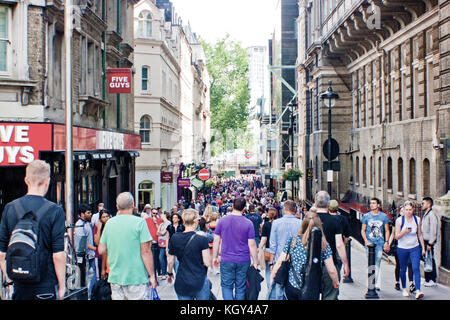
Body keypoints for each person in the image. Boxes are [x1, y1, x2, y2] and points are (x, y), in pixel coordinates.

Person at [0, 160, 66, 300]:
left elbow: (1, 254)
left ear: (26, 180)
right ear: (47, 181)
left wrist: (10, 279)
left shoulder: (10, 208)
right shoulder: (55, 211)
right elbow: (58, 255)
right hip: (45, 287)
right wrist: (62, 286)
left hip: (19, 286)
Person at [98, 192, 157, 300]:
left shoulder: (109, 223)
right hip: (136, 276)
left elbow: (101, 249)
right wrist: (152, 275)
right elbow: (146, 252)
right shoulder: (140, 223)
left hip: (115, 277)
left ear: (117, 206)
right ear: (133, 205)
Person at [270, 212, 339, 300]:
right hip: (312, 287)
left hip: (292, 285)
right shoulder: (323, 245)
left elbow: (280, 261)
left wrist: (272, 276)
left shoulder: (293, 241)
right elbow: (331, 269)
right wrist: (335, 281)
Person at [212, 197, 259, 300]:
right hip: (243, 259)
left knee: (226, 286)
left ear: (232, 206)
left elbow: (216, 240)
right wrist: (255, 261)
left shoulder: (222, 221)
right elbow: (252, 244)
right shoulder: (248, 223)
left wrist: (215, 257)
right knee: (240, 287)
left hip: (227, 259)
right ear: (244, 209)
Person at [167, 209, 211, 300]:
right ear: (195, 221)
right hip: (199, 279)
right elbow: (207, 262)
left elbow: (170, 260)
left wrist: (170, 272)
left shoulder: (175, 238)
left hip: (182, 280)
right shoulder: (202, 239)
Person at [315, 191, 349, 300]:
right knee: (330, 295)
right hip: (330, 264)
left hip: (311, 265)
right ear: (329, 204)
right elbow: (339, 245)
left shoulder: (308, 220)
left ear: (315, 204)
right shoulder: (334, 220)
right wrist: (345, 264)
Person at [268, 200, 303, 300]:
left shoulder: (276, 223)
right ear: (295, 210)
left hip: (280, 260)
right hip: (296, 261)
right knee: (295, 285)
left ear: (284, 209)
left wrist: (271, 262)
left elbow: (273, 245)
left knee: (279, 288)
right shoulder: (300, 223)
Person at [395, 201, 426, 299]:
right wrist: (404, 231)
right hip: (402, 248)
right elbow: (397, 236)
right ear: (403, 210)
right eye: (406, 209)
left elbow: (420, 234)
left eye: (410, 209)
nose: (408, 212)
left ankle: (418, 290)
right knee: (403, 269)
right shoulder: (399, 220)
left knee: (416, 268)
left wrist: (423, 248)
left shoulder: (417, 219)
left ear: (413, 210)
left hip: (414, 247)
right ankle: (404, 288)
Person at [361, 198, 391, 291]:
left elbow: (387, 230)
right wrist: (366, 240)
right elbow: (363, 230)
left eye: (374, 203)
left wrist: (386, 242)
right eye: (370, 203)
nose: (371, 205)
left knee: (377, 262)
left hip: (379, 243)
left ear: (378, 205)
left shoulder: (384, 217)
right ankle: (371, 283)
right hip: (369, 244)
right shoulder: (366, 216)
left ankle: (376, 283)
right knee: (370, 263)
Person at [74, 204, 97, 299]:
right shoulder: (79, 225)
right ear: (82, 214)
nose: (90, 214)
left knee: (92, 280)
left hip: (90, 256)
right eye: (88, 213)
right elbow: (83, 244)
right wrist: (97, 249)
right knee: (87, 281)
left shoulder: (87, 224)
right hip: (85, 258)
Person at [388, 207, 414, 291]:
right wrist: (388, 243)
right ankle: (397, 282)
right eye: (402, 210)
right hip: (398, 245)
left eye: (405, 210)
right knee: (399, 265)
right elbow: (393, 234)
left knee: (410, 264)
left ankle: (411, 283)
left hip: (409, 245)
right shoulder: (397, 221)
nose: (404, 212)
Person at [421, 197, 439, 287]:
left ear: (429, 204)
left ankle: (432, 279)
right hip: (425, 240)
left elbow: (433, 230)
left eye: (423, 203)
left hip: (429, 241)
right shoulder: (426, 214)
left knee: (430, 259)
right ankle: (427, 279)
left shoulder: (431, 215)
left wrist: (430, 243)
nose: (421, 205)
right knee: (426, 259)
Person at [259, 207, 277, 290]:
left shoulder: (266, 225)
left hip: (268, 250)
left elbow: (264, 239)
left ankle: (270, 287)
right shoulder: (278, 224)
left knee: (268, 271)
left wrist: (259, 248)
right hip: (278, 250)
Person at [145, 209, 162, 279]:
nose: (154, 214)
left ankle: (159, 272)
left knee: (159, 259)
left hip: (159, 242)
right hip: (151, 242)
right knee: (153, 260)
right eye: (153, 213)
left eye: (156, 213)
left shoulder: (159, 220)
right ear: (151, 213)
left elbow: (160, 231)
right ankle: (154, 276)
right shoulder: (147, 220)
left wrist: (156, 223)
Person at [166, 212, 185, 277]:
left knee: (177, 261)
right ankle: (171, 273)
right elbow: (167, 237)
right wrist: (166, 248)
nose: (174, 219)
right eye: (173, 218)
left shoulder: (182, 227)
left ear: (179, 219)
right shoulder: (169, 227)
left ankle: (177, 276)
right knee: (171, 262)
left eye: (176, 217)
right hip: (171, 245)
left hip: (179, 246)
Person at [93, 210, 110, 280]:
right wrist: (99, 229)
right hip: (100, 256)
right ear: (100, 219)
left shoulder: (111, 227)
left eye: (107, 216)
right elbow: (97, 242)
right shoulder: (97, 227)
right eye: (103, 217)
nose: (106, 218)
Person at [157, 211, 171, 280]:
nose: (160, 216)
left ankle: (165, 273)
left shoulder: (168, 223)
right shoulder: (161, 224)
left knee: (161, 257)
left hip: (165, 243)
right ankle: (164, 273)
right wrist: (160, 233)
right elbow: (157, 233)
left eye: (161, 214)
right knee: (163, 258)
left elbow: (162, 233)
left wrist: (160, 233)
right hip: (160, 242)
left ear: (165, 215)